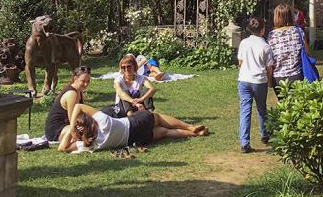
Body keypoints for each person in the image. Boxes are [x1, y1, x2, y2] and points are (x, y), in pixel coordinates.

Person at [58, 104, 209, 152]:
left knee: (164, 132)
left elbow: (62, 149)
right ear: (89, 121)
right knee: (157, 118)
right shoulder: (103, 121)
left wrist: (74, 134)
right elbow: (78, 106)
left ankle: (196, 134)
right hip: (134, 123)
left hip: (134, 140)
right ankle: (191, 127)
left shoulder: (92, 144)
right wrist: (72, 126)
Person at [237, 17, 274, 153]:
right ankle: (264, 134)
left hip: (244, 80)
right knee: (261, 108)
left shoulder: (244, 43)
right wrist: (270, 81)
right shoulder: (265, 45)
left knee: (245, 109)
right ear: (262, 30)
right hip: (259, 81)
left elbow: (240, 62)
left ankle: (244, 141)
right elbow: (269, 67)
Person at [268, 3, 310, 98]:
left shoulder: (271, 36)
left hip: (278, 77)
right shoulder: (298, 32)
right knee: (297, 106)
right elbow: (307, 53)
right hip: (296, 74)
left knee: (284, 107)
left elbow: (269, 58)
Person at [44, 66, 91, 142]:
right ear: (75, 78)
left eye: (88, 81)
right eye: (83, 81)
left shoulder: (79, 91)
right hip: (57, 129)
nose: (86, 84)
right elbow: (72, 118)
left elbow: (80, 115)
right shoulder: (72, 94)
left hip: (68, 124)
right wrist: (80, 126)